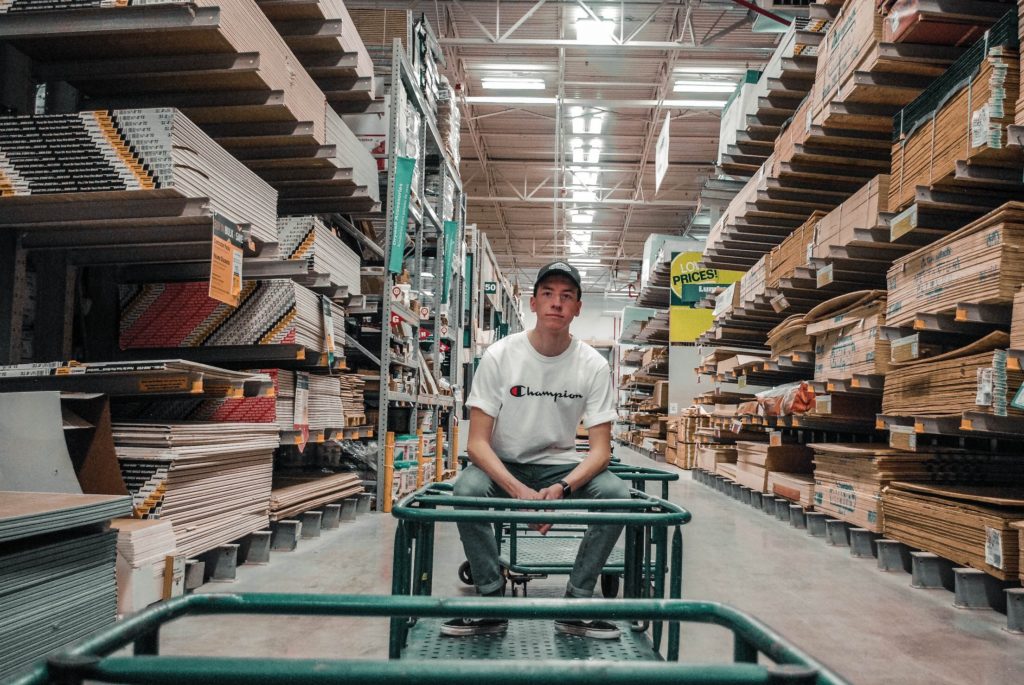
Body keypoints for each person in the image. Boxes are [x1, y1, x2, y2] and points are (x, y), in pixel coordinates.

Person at [441, 261, 629, 640]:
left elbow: (600, 451)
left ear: (578, 308)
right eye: (548, 294)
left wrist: (561, 489)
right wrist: (519, 493)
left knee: (617, 496)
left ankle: (576, 605)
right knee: (466, 492)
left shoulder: (592, 365)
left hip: (559, 467)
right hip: (503, 464)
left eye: (566, 297)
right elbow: (476, 443)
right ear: (533, 302)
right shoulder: (500, 356)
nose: (556, 304)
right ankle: (490, 604)